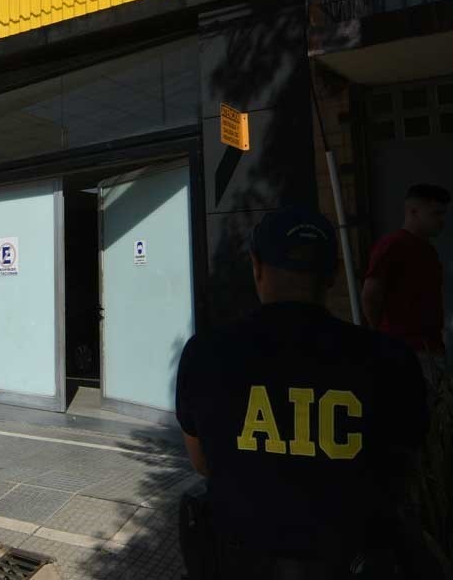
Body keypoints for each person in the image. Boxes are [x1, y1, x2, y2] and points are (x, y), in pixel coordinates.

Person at [175, 207, 428, 579]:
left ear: (256, 266)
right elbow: (405, 469)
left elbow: (202, 462)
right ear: (334, 274)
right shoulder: (392, 361)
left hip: (239, 563)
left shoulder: (204, 354)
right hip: (354, 563)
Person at [361, 184, 451, 366]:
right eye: (436, 214)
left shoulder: (428, 251)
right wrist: (383, 338)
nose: (442, 220)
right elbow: (370, 296)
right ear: (413, 212)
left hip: (431, 350)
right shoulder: (392, 245)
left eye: (443, 214)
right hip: (403, 351)